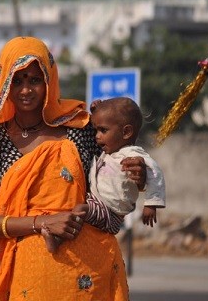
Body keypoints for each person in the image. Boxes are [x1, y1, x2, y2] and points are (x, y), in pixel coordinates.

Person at [0, 36, 147, 301]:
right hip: (28, 277)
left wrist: (138, 174)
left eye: (35, 80)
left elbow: (117, 171)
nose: (26, 90)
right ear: (3, 83)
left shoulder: (80, 129)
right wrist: (43, 222)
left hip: (90, 271)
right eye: (17, 80)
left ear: (49, 80)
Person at [43, 97, 166, 253]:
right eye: (96, 130)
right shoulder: (109, 152)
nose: (97, 136)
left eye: (103, 130)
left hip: (111, 213)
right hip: (98, 202)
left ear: (126, 132)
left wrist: (151, 204)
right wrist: (96, 111)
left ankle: (58, 240)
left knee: (80, 209)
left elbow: (155, 173)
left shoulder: (132, 154)